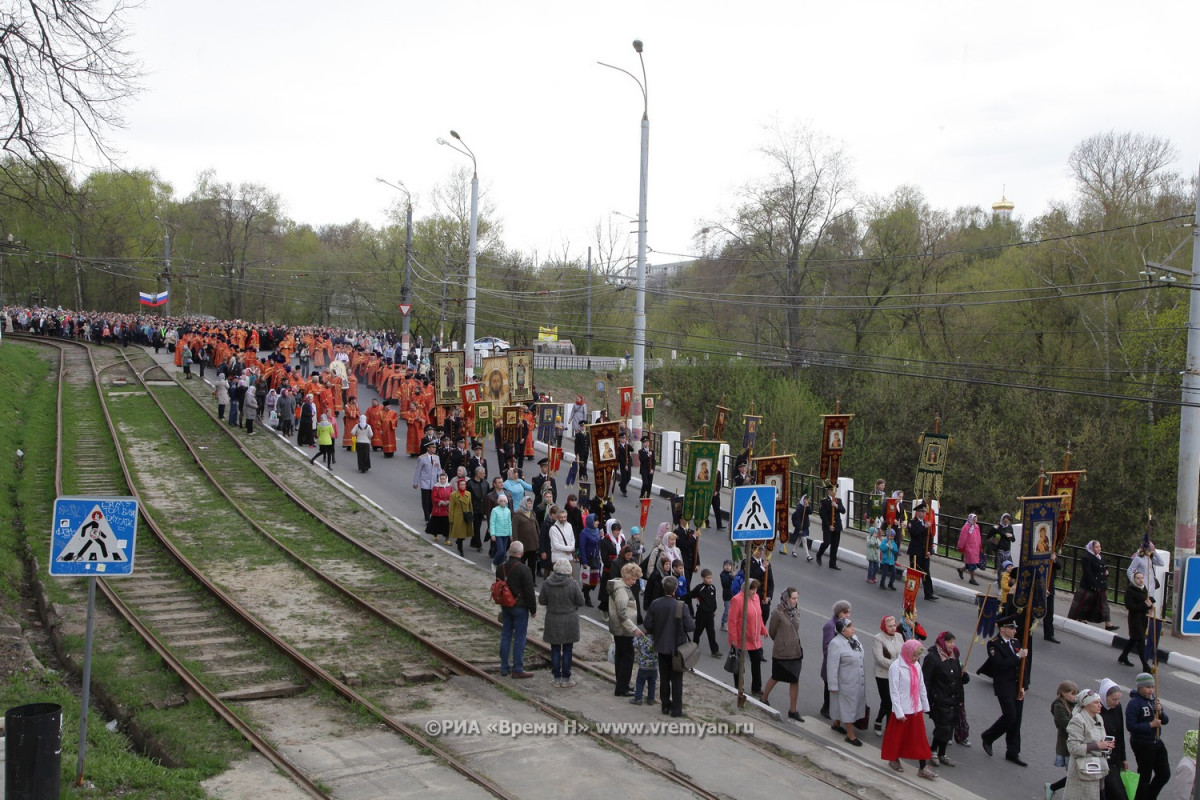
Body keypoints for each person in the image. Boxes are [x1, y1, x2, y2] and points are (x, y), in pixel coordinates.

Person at [978, 616, 1030, 765]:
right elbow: (999, 665)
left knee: (1017, 719)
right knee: (1010, 716)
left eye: (1015, 628)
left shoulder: (1015, 642)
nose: (1015, 631)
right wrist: (1017, 656)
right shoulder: (993, 644)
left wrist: (1023, 686)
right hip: (1004, 684)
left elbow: (1023, 667)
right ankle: (988, 736)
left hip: (1016, 684)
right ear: (1002, 629)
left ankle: (1013, 752)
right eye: (1011, 628)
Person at [882, 639, 936, 779]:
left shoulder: (916, 665)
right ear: (907, 652)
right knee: (898, 738)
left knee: (919, 738)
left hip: (915, 708)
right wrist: (899, 712)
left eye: (917, 656)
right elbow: (893, 692)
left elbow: (921, 686)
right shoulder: (896, 667)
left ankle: (923, 767)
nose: (915, 659)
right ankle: (894, 759)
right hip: (902, 710)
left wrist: (925, 705)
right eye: (914, 655)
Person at [642, 575, 695, 717]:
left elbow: (648, 625)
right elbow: (690, 626)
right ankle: (677, 710)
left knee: (664, 677)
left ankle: (665, 705)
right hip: (677, 649)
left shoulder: (656, 603)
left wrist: (657, 632)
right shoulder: (680, 605)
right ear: (675, 588)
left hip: (661, 646)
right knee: (677, 679)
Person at [924, 630, 968, 767]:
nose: (952, 645)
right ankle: (933, 751)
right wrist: (928, 700)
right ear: (942, 642)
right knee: (942, 728)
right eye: (949, 642)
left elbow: (962, 680)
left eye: (953, 642)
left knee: (948, 729)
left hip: (953, 700)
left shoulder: (954, 656)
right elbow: (926, 680)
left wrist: (964, 674)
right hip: (939, 700)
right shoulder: (932, 657)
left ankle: (942, 754)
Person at [539, 558, 585, 688]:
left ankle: (556, 678)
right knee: (567, 649)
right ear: (569, 571)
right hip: (569, 620)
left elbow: (542, 600)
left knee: (554, 648)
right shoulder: (573, 584)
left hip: (552, 619)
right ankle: (566, 678)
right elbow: (581, 601)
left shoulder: (547, 583)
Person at [761, 586, 804, 722]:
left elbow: (796, 630)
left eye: (797, 598)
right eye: (793, 598)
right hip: (781, 652)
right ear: (786, 598)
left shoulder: (796, 612)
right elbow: (772, 632)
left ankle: (793, 710)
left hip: (795, 651)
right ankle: (764, 698)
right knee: (776, 677)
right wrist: (782, 642)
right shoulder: (777, 613)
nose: (795, 601)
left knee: (794, 680)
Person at [1126, 672, 1170, 800]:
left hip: (1156, 741)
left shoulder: (1154, 700)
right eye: (1147, 687)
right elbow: (1131, 726)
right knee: (1144, 776)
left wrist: (1160, 711)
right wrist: (1150, 725)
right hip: (1142, 744)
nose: (1151, 690)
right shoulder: (1134, 703)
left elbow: (1166, 721)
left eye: (1152, 687)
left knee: (1164, 774)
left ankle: (1149, 797)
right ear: (1140, 688)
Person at [1065, 689, 1115, 800]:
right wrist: (1097, 745)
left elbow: (1100, 740)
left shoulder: (1099, 718)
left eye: (1099, 702)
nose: (1100, 705)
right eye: (1096, 702)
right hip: (1082, 771)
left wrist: (1106, 746)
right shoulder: (1078, 720)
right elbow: (1073, 747)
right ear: (1086, 704)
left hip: (1097, 770)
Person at [497, 541, 536, 679]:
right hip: (520, 607)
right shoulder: (524, 569)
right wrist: (533, 609)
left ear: (509, 551)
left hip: (505, 605)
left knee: (505, 635)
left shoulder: (500, 567)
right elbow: (529, 591)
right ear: (521, 553)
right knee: (519, 637)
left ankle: (504, 667)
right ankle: (518, 669)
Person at [826, 617, 866, 747]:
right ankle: (850, 735)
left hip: (857, 679)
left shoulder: (854, 639)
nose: (852, 628)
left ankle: (837, 723)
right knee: (848, 707)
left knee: (850, 704)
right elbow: (832, 667)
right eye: (849, 627)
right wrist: (832, 685)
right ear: (842, 630)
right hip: (845, 682)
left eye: (852, 626)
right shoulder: (836, 643)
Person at [607, 562, 643, 697]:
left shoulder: (619, 586)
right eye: (633, 579)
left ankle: (621, 685)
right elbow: (622, 613)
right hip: (624, 629)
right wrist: (634, 629)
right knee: (627, 657)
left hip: (619, 628)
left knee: (621, 656)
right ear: (627, 577)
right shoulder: (622, 590)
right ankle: (622, 688)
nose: (634, 582)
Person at [727, 578, 768, 696]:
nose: (754, 592)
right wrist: (733, 638)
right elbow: (732, 620)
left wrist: (763, 629)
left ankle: (756, 687)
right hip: (742, 637)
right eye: (752, 589)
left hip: (754, 637)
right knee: (739, 664)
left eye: (755, 589)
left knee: (756, 662)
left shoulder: (756, 598)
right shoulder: (737, 599)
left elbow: (758, 616)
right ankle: (739, 687)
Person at [1071, 540, 1119, 631]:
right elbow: (1087, 572)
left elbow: (1103, 568)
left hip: (1101, 585)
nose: (1099, 548)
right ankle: (1081, 618)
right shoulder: (1086, 557)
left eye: (1100, 547)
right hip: (1089, 585)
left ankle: (1108, 624)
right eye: (1097, 547)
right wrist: (1094, 584)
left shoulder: (1099, 557)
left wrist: (1106, 573)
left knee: (1104, 605)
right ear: (1092, 548)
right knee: (1085, 603)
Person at [872, 615, 905, 736]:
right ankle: (879, 720)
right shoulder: (878, 638)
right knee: (887, 701)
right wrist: (896, 666)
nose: (893, 628)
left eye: (894, 625)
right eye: (889, 626)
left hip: (897, 675)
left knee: (894, 700)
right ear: (884, 626)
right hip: (883, 674)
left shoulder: (899, 636)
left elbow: (903, 653)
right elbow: (879, 659)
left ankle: (889, 726)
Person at [1098, 678, 1130, 800]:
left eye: (1118, 699)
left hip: (1115, 758)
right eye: (1113, 699)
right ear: (1104, 696)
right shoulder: (1097, 709)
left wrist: (1123, 758)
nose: (1116, 702)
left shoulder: (1117, 708)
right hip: (1102, 757)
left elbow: (1120, 734)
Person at [821, 600, 853, 719]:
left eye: (849, 612)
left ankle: (831, 708)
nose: (848, 615)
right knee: (829, 687)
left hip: (842, 664)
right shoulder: (830, 626)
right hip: (832, 664)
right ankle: (826, 708)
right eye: (845, 612)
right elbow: (827, 647)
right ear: (839, 612)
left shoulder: (845, 624)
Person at [1048, 680, 1080, 797]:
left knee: (1075, 774)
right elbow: (1068, 725)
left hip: (1076, 742)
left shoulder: (1074, 704)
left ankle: (1053, 787)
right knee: (1074, 774)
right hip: (1068, 743)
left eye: (1077, 694)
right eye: (1073, 694)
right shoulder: (1059, 707)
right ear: (1063, 693)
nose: (1075, 697)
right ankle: (1053, 788)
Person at [1120, 570, 1155, 672]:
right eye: (1138, 578)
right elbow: (1130, 606)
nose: (1140, 580)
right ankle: (1145, 665)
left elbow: (1147, 600)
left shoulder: (1144, 588)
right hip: (1135, 618)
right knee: (1140, 639)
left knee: (1134, 638)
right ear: (1134, 580)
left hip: (1143, 618)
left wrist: (1150, 604)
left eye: (1142, 578)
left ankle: (1123, 656)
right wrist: (1144, 605)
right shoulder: (1130, 590)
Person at [907, 501, 939, 601]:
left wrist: (930, 550)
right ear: (917, 512)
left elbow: (930, 538)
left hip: (925, 553)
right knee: (914, 573)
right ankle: (911, 591)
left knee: (926, 574)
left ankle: (929, 594)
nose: (924, 513)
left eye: (925, 512)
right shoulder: (912, 522)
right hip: (915, 552)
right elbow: (914, 533)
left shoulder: (926, 523)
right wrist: (924, 527)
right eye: (921, 511)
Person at [689, 568, 720, 657]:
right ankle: (694, 648)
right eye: (708, 578)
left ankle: (714, 650)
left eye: (711, 578)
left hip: (710, 614)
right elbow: (691, 595)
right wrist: (681, 598)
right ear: (703, 578)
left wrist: (714, 609)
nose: (710, 580)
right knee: (698, 632)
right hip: (701, 614)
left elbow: (714, 600)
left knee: (711, 633)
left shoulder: (713, 588)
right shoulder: (700, 588)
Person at [816, 480, 845, 569]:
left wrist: (836, 506)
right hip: (828, 526)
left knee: (835, 545)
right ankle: (819, 554)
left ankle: (832, 563)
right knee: (827, 543)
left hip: (837, 526)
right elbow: (822, 515)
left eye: (835, 490)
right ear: (828, 491)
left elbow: (843, 511)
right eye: (832, 490)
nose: (833, 492)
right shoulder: (824, 501)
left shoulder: (838, 500)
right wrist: (829, 525)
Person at [412, 440, 441, 521]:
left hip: (434, 483)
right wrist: (415, 482)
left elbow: (439, 470)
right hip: (425, 483)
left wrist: (442, 480)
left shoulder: (436, 457)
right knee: (425, 501)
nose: (435, 449)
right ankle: (427, 518)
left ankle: (429, 513)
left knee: (431, 502)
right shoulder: (422, 458)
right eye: (433, 447)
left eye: (435, 447)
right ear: (428, 448)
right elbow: (418, 471)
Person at [630, 630, 658, 706]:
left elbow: (634, 644)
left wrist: (637, 636)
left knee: (640, 682)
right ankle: (651, 699)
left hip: (643, 666)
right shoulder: (657, 640)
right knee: (652, 683)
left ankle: (638, 698)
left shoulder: (643, 639)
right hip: (654, 666)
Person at [956, 513, 983, 585]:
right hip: (969, 547)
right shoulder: (966, 527)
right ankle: (972, 578)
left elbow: (979, 537)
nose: (975, 521)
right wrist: (961, 547)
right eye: (973, 519)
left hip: (975, 547)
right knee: (972, 563)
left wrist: (980, 546)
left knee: (971, 563)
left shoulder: (976, 526)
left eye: (975, 519)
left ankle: (961, 570)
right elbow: (963, 538)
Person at [448, 478, 473, 555]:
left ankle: (459, 543)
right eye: (461, 484)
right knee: (460, 534)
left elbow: (470, 505)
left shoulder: (468, 494)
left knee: (464, 535)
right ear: (458, 485)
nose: (463, 486)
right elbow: (451, 507)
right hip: (458, 517)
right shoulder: (453, 495)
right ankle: (460, 549)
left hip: (466, 517)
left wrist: (471, 516)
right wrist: (451, 518)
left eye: (464, 484)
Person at [427, 471, 452, 544]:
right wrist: (440, 501)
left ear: (446, 479)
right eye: (441, 479)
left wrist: (448, 501)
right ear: (439, 479)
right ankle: (435, 535)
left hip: (446, 510)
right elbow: (433, 497)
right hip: (438, 510)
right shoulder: (436, 487)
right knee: (436, 523)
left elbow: (452, 496)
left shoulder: (449, 486)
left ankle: (447, 539)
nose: (442, 480)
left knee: (447, 525)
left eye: (444, 479)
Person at [489, 492, 513, 565]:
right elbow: (492, 522)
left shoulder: (508, 511)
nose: (503, 502)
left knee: (504, 551)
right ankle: (494, 563)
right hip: (498, 533)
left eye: (504, 501)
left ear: (506, 502)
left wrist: (511, 534)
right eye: (501, 501)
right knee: (501, 550)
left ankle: (501, 566)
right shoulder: (495, 510)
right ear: (498, 502)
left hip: (506, 534)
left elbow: (509, 522)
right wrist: (492, 534)